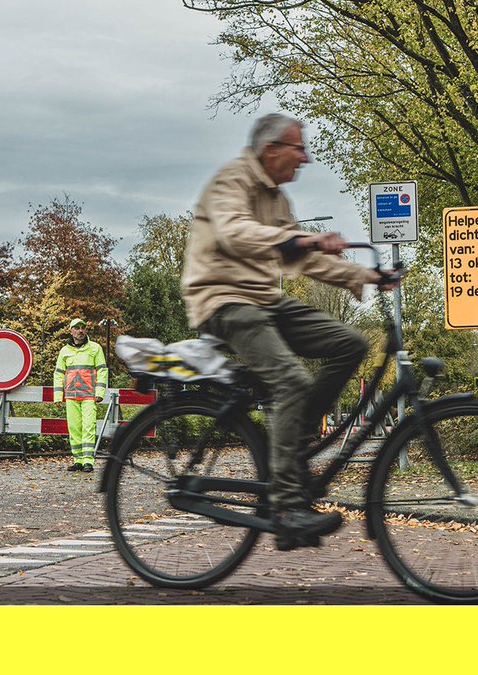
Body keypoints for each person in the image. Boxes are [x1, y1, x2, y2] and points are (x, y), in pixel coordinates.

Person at [181, 113, 399, 550]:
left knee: (350, 343)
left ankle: (295, 439)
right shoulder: (233, 180)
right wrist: (306, 239)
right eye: (300, 149)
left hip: (264, 299)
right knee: (292, 382)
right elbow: (235, 232)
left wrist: (367, 276)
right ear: (271, 149)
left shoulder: (277, 198)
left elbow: (303, 257)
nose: (306, 159)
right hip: (222, 298)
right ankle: (285, 507)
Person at [52, 318, 108, 473]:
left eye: (83, 328)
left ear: (86, 330)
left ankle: (88, 461)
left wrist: (100, 393)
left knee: (89, 427)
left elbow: (102, 370)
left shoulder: (95, 348)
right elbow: (58, 374)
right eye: (76, 328)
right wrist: (58, 396)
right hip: (71, 395)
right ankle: (78, 460)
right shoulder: (64, 351)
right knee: (74, 428)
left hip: (89, 395)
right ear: (70, 331)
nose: (80, 331)